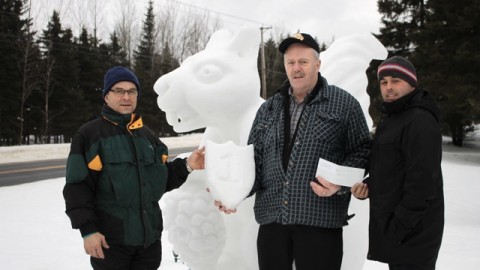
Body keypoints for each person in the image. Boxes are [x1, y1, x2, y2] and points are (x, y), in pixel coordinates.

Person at [216, 33, 371, 270]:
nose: (296, 68)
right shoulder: (268, 109)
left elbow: (362, 151)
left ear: (318, 64)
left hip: (319, 220)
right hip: (273, 220)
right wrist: (232, 193)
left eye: (303, 62)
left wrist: (339, 184)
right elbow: (252, 162)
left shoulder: (344, 104)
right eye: (290, 62)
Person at [63, 66, 205, 270]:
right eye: (119, 91)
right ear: (106, 96)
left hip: (149, 243)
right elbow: (77, 187)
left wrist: (188, 166)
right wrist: (88, 230)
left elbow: (159, 181)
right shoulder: (90, 136)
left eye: (132, 91)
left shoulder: (147, 137)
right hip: (111, 243)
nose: (126, 97)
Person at [351, 56, 444, 270]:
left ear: (411, 83)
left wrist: (398, 226)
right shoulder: (395, 118)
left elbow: (422, 184)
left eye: (396, 81)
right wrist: (369, 185)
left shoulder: (419, 120)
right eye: (384, 82)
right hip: (400, 232)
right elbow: (392, 168)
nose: (389, 87)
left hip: (415, 233)